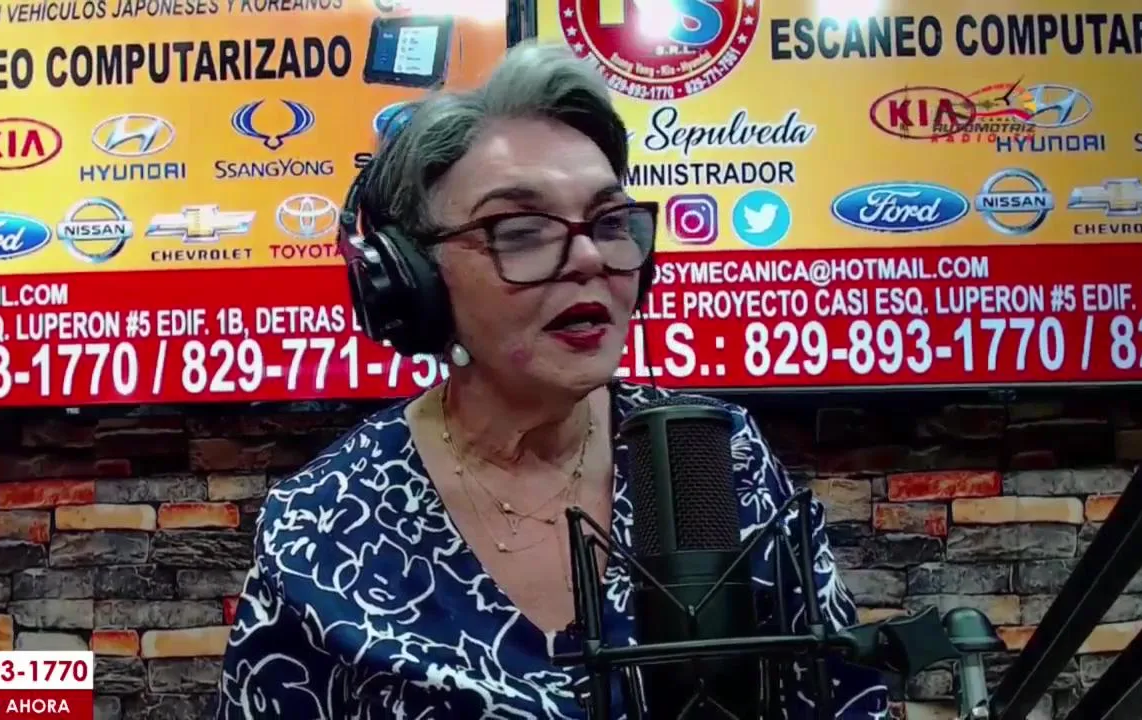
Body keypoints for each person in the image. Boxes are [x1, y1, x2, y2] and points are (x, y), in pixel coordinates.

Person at [217, 41, 889, 719]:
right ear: (413, 281)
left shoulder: (714, 455)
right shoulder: (323, 523)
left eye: (610, 221)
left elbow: (842, 696)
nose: (590, 257)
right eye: (522, 230)